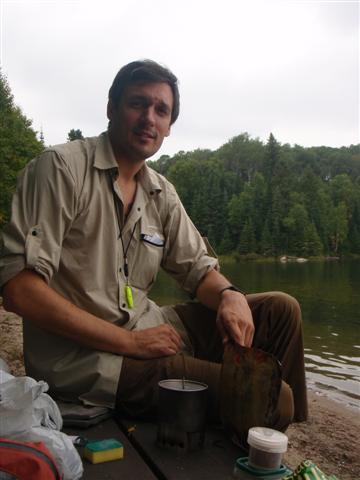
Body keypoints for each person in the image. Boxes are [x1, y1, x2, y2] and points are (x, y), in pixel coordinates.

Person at [0, 60, 307, 435]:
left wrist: (229, 294)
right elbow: (20, 292)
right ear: (111, 109)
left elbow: (198, 270)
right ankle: (256, 434)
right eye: (137, 104)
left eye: (161, 110)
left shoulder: (160, 191)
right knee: (279, 399)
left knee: (280, 310)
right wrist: (130, 342)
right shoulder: (61, 170)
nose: (149, 118)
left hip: (150, 331)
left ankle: (263, 442)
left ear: (169, 126)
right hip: (89, 362)